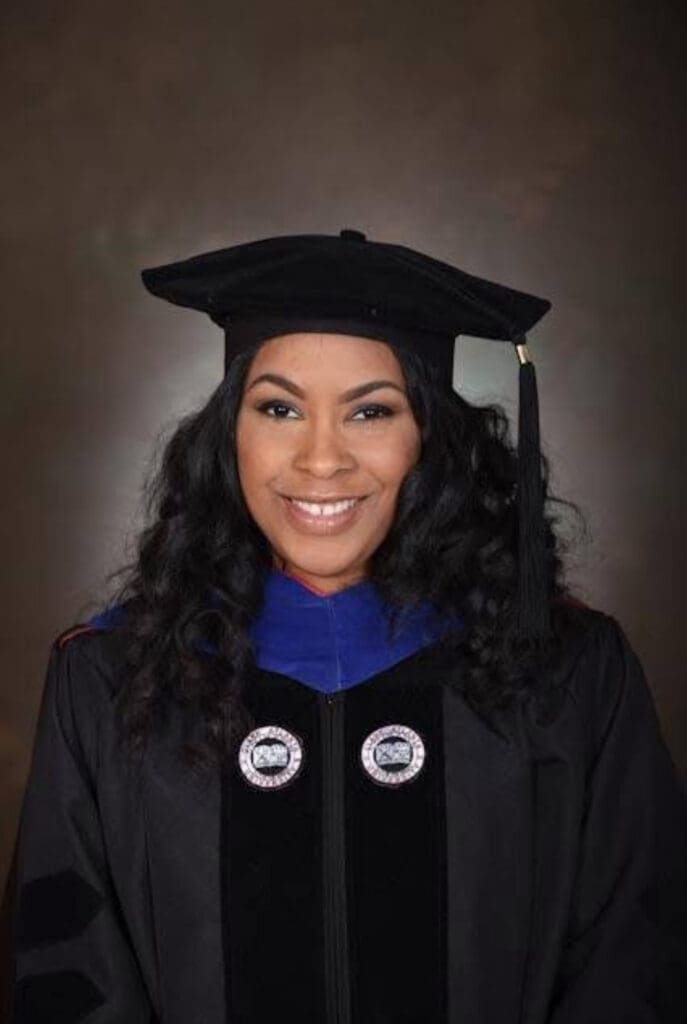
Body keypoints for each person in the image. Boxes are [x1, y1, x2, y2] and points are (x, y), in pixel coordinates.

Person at [2, 229, 687, 1023]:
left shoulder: (567, 674)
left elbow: (631, 965)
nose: (320, 460)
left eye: (370, 411)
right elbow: (71, 981)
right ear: (229, 435)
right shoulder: (113, 681)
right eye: (278, 408)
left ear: (428, 439)